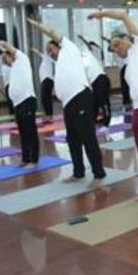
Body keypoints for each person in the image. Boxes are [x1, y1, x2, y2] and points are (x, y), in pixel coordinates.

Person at [88, 10, 138, 207]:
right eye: (113, 48)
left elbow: (124, 16)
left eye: (117, 44)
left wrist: (101, 14)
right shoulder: (127, 63)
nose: (116, 49)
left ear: (128, 38)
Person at [27, 19, 106, 184]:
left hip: (81, 97)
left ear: (59, 45)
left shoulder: (69, 48)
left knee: (88, 137)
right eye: (48, 51)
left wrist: (39, 26)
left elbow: (52, 32)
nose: (50, 53)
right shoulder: (61, 61)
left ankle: (99, 174)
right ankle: (78, 172)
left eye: (51, 49)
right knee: (73, 139)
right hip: (68, 103)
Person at [0, 41, 40, 168]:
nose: (4, 61)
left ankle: (34, 160)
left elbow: (11, 50)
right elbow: (7, 53)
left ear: (11, 55)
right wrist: (0, 49)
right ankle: (25, 158)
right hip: (18, 103)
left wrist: (2, 43)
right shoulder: (14, 67)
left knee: (30, 131)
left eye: (5, 58)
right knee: (23, 132)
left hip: (27, 101)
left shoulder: (22, 59)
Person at [79, 36, 111, 127]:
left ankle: (106, 123)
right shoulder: (82, 60)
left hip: (101, 79)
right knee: (95, 102)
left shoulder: (87, 55)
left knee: (103, 102)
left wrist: (83, 39)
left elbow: (88, 46)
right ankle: (93, 120)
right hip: (96, 82)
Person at [31, 47, 55, 122]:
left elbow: (40, 53)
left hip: (47, 80)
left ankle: (49, 115)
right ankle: (48, 114)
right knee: (45, 98)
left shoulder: (48, 58)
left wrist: (35, 50)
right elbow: (40, 54)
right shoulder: (47, 58)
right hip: (45, 80)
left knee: (46, 98)